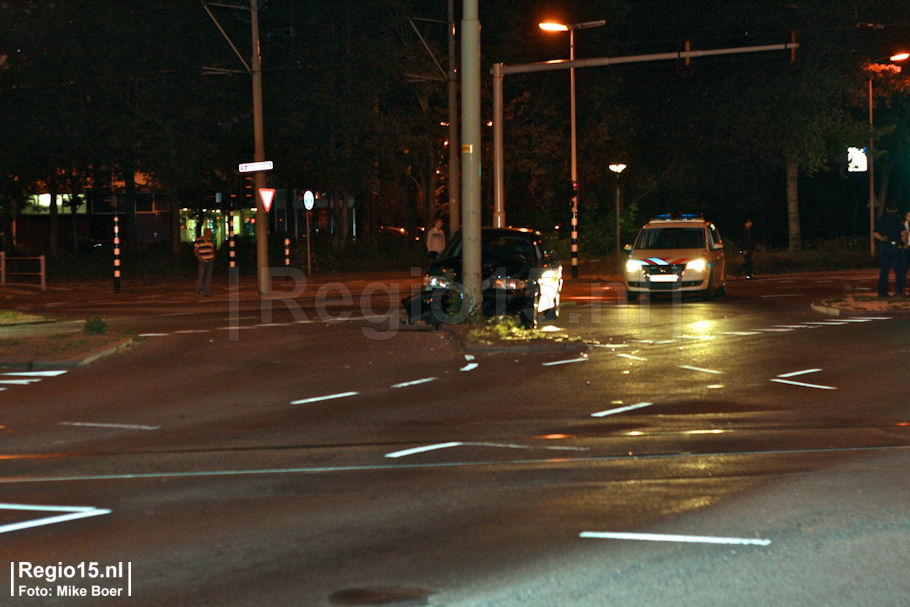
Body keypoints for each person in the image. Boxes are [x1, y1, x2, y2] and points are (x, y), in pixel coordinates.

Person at [873, 205, 906, 297]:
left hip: (885, 246)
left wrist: (882, 238)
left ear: (887, 209)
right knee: (899, 271)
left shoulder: (881, 219)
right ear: (896, 209)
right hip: (895, 247)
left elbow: (875, 233)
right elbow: (903, 233)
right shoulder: (898, 220)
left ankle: (882, 292)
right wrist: (904, 243)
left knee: (884, 271)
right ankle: (899, 291)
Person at [193, 227, 215, 297]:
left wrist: (213, 255)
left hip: (210, 260)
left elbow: (212, 248)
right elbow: (195, 250)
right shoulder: (199, 240)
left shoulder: (210, 240)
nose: (211, 233)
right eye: (210, 232)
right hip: (202, 260)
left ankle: (206, 292)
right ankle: (197, 291)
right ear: (206, 233)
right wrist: (199, 258)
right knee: (201, 276)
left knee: (208, 276)